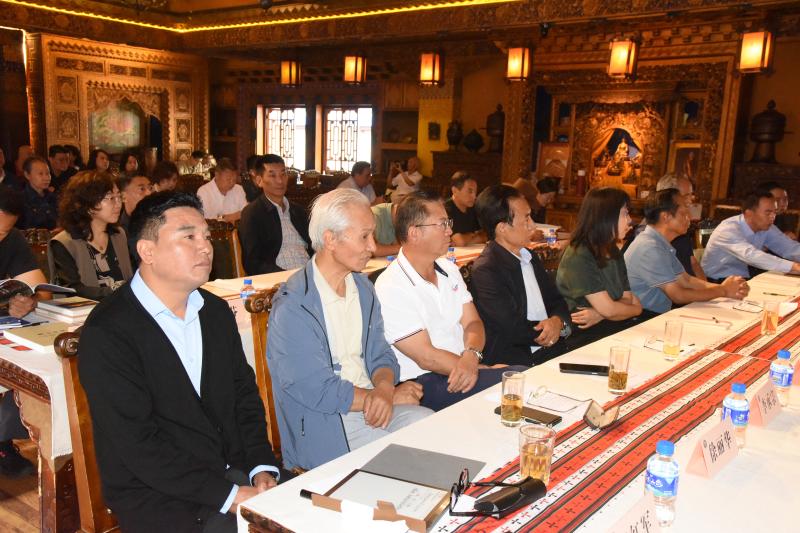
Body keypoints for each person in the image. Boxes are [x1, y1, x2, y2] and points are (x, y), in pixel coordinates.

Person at [78, 191, 281, 532]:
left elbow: (244, 396)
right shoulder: (109, 331)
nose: (205, 247)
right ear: (147, 251)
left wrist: (261, 466)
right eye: (189, 237)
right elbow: (138, 445)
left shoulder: (214, 312)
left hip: (232, 474)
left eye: (206, 236)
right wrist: (231, 496)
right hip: (160, 497)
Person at [267, 189, 432, 470]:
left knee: (431, 429)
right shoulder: (294, 305)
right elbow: (317, 389)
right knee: (409, 462)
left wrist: (384, 387)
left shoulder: (363, 288)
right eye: (364, 236)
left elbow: (381, 354)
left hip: (371, 404)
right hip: (326, 420)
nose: (373, 247)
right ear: (331, 239)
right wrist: (385, 396)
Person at [375, 191, 527, 412]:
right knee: (517, 381)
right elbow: (426, 357)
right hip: (424, 382)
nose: (450, 231)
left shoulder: (448, 269)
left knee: (521, 380)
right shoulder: (391, 285)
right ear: (414, 233)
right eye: (442, 224)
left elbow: (473, 323)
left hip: (462, 367)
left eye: (449, 223)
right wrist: (478, 368)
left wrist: (472, 356)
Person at [471, 185, 571, 366]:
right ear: (502, 227)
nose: (533, 225)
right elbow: (512, 327)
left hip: (551, 350)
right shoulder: (486, 270)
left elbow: (556, 301)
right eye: (526, 219)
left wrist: (558, 322)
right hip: (518, 361)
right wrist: (552, 331)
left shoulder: (529, 256)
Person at [625, 188, 749, 314]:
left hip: (653, 314)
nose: (689, 217)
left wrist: (727, 288)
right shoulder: (650, 247)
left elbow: (686, 280)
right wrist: (723, 290)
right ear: (665, 217)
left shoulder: (660, 242)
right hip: (640, 318)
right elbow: (678, 295)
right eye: (683, 213)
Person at [556, 187, 646, 350]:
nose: (630, 220)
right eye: (625, 214)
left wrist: (600, 314)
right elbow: (619, 308)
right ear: (606, 216)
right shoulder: (580, 254)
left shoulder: (612, 250)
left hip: (612, 329)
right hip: (583, 339)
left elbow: (627, 300)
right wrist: (630, 310)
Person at [0, 188, 48, 478]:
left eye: (3, 232)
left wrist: (28, 300)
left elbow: (39, 288)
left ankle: (4, 439)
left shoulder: (12, 240)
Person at [48, 171, 133, 300]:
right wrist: (116, 291)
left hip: (121, 306)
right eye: (111, 198)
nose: (118, 204)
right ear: (88, 205)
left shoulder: (119, 235)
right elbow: (72, 289)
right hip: (86, 309)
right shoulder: (64, 242)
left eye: (119, 196)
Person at [701, 190, 800, 281]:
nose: (773, 217)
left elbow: (790, 248)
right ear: (749, 214)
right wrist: (793, 267)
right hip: (715, 281)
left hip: (742, 279)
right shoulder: (728, 229)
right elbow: (751, 255)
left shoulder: (766, 227)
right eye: (768, 213)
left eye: (774, 212)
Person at [239, 154, 311, 275]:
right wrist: (285, 276)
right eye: (272, 175)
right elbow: (252, 262)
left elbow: (314, 246)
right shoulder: (252, 214)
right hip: (278, 278)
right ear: (259, 181)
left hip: (308, 273)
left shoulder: (298, 211)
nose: (280, 181)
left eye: (283, 174)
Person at [196, 158, 247, 222]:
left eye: (234, 180)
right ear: (217, 175)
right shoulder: (204, 192)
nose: (232, 183)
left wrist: (223, 217)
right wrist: (228, 217)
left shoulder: (239, 189)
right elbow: (207, 218)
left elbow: (245, 213)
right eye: (228, 179)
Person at [444, 171, 486, 246]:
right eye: (470, 191)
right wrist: (474, 235)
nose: (474, 196)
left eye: (475, 192)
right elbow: (459, 241)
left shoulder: (475, 208)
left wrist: (468, 238)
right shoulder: (445, 210)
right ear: (455, 191)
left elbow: (486, 235)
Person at [17, 156, 58, 230]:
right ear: (27, 175)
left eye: (48, 173)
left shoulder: (53, 197)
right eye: (40, 174)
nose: (46, 178)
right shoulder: (20, 200)